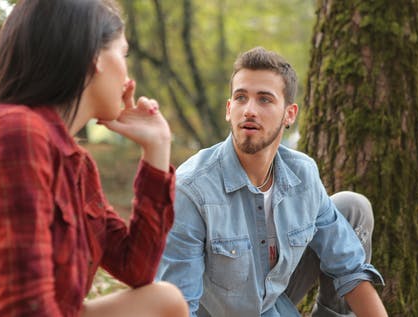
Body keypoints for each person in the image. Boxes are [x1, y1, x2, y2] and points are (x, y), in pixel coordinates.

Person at [0, 1, 188, 316]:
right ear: (94, 57)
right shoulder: (15, 133)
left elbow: (135, 268)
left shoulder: (73, 162)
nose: (128, 79)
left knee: (163, 301)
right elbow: (24, 306)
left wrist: (158, 146)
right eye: (123, 54)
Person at [156, 47, 388, 316]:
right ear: (229, 109)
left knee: (351, 207)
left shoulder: (303, 174)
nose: (250, 110)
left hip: (273, 301)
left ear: (289, 114)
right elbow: (178, 305)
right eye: (241, 98)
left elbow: (349, 267)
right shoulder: (191, 188)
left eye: (264, 100)